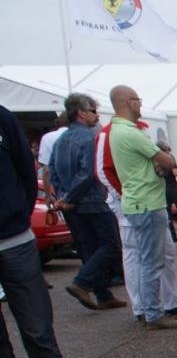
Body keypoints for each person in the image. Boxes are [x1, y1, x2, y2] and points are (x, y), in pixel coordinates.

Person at [0, 104, 82, 358]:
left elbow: (24, 168)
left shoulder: (3, 117)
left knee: (39, 333)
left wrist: (17, 215)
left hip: (14, 242)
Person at [108, 84, 177, 330]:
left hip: (138, 202)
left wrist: (160, 164)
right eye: (138, 99)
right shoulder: (130, 133)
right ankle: (153, 313)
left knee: (144, 260)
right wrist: (163, 162)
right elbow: (168, 161)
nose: (140, 104)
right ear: (128, 102)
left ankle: (147, 310)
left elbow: (162, 163)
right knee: (151, 262)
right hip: (147, 203)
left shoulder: (117, 131)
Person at [48, 93, 124, 311]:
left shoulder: (61, 139)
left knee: (89, 247)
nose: (97, 115)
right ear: (81, 113)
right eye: (93, 111)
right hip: (91, 201)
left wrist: (63, 197)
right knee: (111, 245)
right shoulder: (89, 138)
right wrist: (70, 197)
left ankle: (102, 294)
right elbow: (89, 172)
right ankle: (82, 283)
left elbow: (52, 171)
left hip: (72, 204)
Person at [36, 115, 68, 199]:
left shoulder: (47, 137)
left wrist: (48, 195)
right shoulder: (85, 136)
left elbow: (46, 170)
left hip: (59, 187)